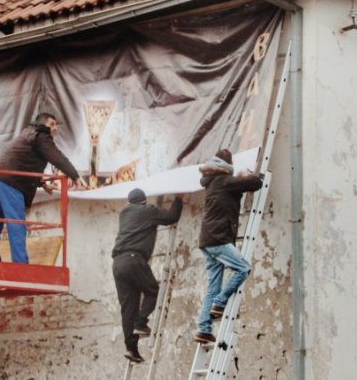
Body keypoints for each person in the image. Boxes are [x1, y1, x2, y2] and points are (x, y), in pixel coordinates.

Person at [0, 112, 84, 263]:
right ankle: (21, 266)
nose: (55, 128)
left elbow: (23, 162)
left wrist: (42, 183)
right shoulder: (41, 136)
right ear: (43, 124)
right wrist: (75, 176)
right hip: (11, 183)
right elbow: (57, 158)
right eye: (52, 124)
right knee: (17, 225)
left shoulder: (27, 133)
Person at [194, 149, 263, 344]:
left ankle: (203, 329)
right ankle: (219, 302)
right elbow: (256, 183)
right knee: (243, 268)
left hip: (207, 240)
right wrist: (245, 175)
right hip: (218, 239)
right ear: (227, 166)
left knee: (213, 286)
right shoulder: (224, 181)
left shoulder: (211, 183)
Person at [111, 188, 183, 363]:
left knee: (128, 308)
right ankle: (141, 322)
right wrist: (179, 199)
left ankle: (131, 349)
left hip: (118, 264)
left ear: (129, 202)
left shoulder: (123, 213)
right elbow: (172, 217)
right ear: (144, 201)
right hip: (134, 260)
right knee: (153, 291)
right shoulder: (148, 210)